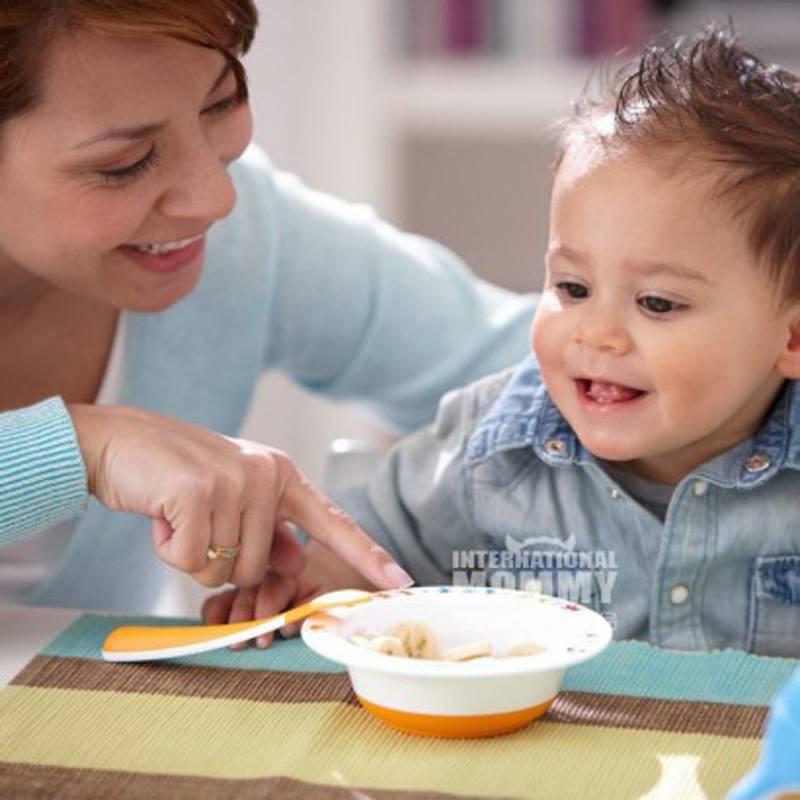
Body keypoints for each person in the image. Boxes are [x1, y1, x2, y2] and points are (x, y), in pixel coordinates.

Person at [208, 25, 800, 657]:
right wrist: (308, 583)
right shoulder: (490, 448)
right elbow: (367, 557)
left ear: (790, 337)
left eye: (657, 302)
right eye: (572, 288)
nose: (595, 333)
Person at [0, 1, 536, 612]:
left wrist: (370, 546)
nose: (215, 197)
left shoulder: (244, 238)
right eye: (125, 164)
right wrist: (77, 450)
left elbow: (541, 368)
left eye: (221, 103)